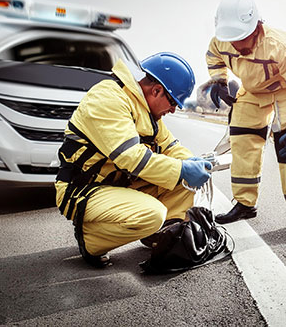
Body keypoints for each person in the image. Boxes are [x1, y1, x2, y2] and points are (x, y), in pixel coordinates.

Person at [55, 52, 212, 267]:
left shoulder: (146, 111)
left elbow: (170, 146)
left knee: (184, 184)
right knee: (153, 213)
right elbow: (131, 157)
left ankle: (158, 235)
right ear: (156, 90)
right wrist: (182, 169)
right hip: (83, 189)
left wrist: (191, 162)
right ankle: (91, 239)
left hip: (117, 185)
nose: (173, 110)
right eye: (173, 102)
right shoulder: (108, 98)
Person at [205, 0, 286, 239]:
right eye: (231, 40)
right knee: (242, 142)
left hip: (283, 91)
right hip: (252, 92)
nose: (237, 46)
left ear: (256, 27)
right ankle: (245, 204)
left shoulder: (282, 46)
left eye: (241, 38)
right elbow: (213, 57)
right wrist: (219, 81)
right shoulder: (222, 40)